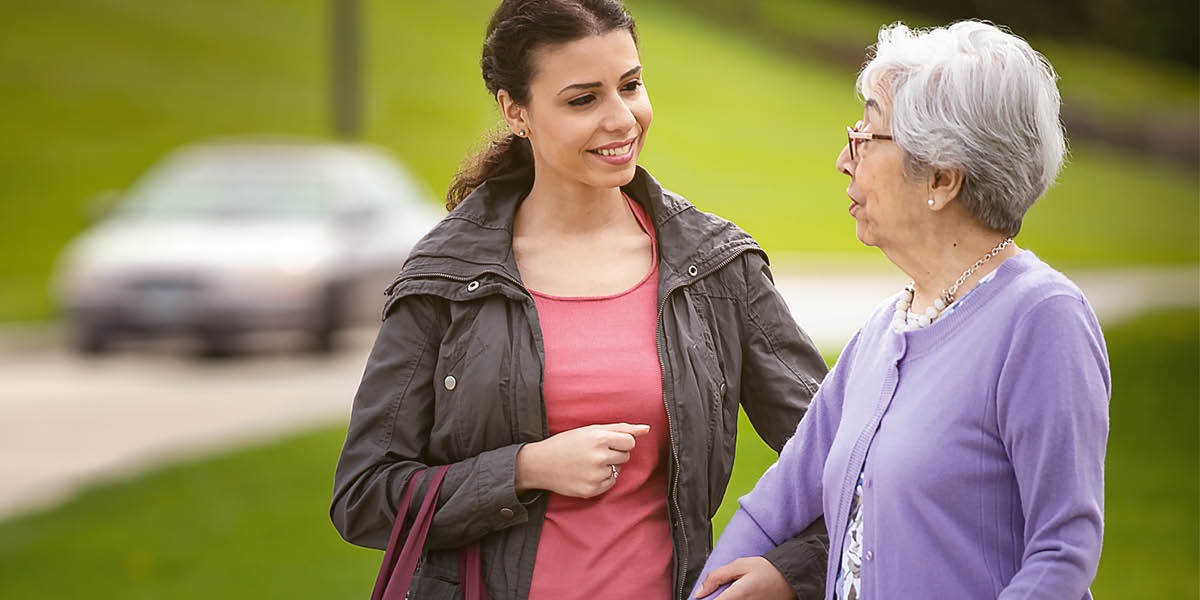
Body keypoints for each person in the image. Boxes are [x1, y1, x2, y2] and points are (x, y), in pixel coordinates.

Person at [330, 1, 830, 598]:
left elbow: (849, 459)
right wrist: (523, 470)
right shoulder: (448, 276)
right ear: (516, 111)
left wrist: (788, 573)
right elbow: (363, 495)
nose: (621, 118)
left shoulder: (718, 267)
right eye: (582, 99)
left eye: (631, 85)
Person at [694, 20, 1111, 600]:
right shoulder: (886, 328)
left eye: (866, 135)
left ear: (940, 178)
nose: (844, 158)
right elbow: (773, 508)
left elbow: (1061, 554)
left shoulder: (1042, 320)